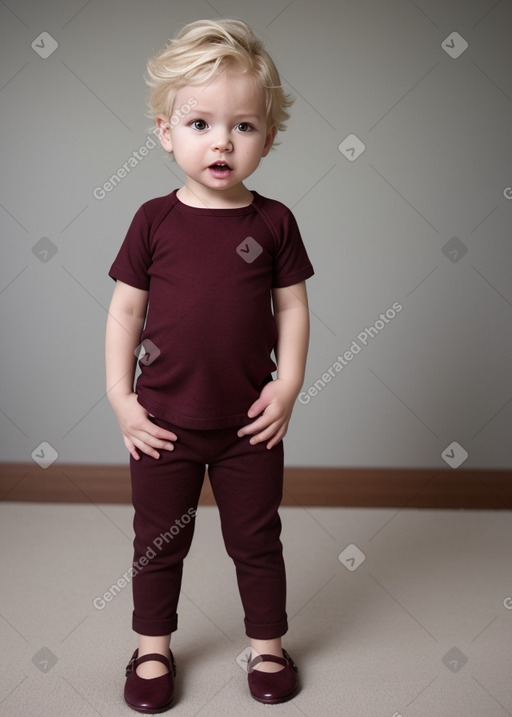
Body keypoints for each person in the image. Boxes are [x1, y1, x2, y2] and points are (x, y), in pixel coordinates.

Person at [105, 18, 314, 712]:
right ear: (167, 131)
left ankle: (267, 645)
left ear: (268, 137)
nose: (222, 141)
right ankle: (152, 644)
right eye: (200, 122)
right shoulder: (152, 221)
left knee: (257, 539)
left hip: (247, 424)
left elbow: (291, 310)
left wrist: (288, 384)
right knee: (157, 541)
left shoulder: (274, 222)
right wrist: (121, 398)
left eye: (244, 126)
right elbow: (124, 314)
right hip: (162, 421)